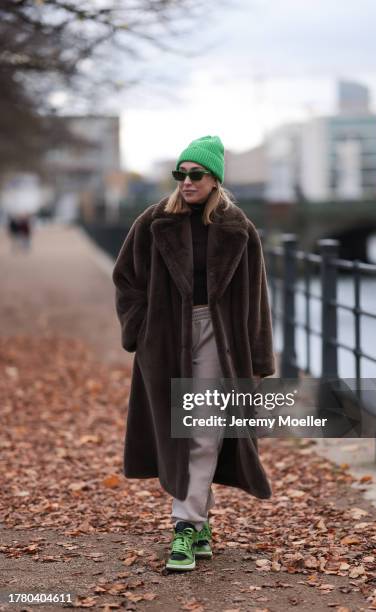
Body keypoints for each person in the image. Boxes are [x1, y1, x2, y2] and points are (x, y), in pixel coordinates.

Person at [112, 135, 275, 572]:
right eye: (180, 173)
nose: (186, 181)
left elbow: (257, 298)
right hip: (166, 340)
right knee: (184, 433)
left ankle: (186, 527)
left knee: (205, 430)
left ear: (214, 179)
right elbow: (126, 278)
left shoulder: (238, 228)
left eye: (195, 174)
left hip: (221, 338)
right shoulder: (152, 222)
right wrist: (139, 331)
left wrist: (259, 362)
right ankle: (195, 521)